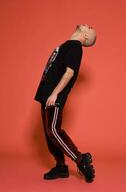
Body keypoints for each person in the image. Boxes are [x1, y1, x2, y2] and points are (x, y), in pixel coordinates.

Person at [34, 24, 97, 183]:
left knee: (53, 131)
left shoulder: (75, 47)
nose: (89, 25)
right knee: (49, 136)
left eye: (90, 28)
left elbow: (70, 72)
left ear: (85, 37)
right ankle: (61, 167)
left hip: (54, 97)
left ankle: (81, 160)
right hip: (46, 96)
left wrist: (55, 94)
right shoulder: (66, 45)